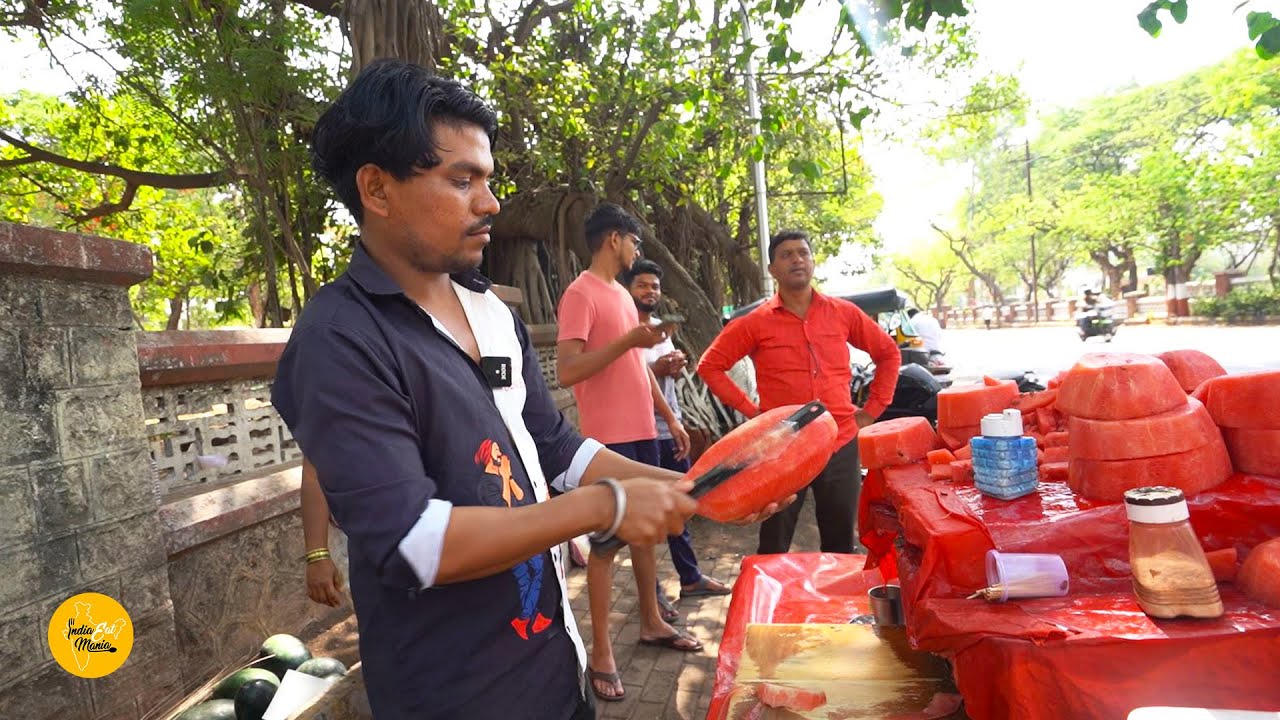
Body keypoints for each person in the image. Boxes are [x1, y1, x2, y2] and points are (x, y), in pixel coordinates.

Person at [271, 60, 706, 720]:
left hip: (555, 669)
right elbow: (413, 542)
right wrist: (605, 508)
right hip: (455, 697)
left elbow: (555, 448)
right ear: (377, 189)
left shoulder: (491, 313)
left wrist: (698, 489)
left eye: (489, 180)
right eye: (461, 179)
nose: (490, 202)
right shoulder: (340, 339)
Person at [555, 203, 704, 703]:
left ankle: (652, 622)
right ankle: (601, 652)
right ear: (614, 239)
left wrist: (672, 419)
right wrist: (628, 343)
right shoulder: (581, 293)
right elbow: (569, 370)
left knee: (645, 534)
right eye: (634, 242)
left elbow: (640, 368)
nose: (637, 252)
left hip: (643, 429)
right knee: (603, 548)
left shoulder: (621, 294)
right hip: (607, 440)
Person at [698, 229, 902, 554]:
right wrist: (754, 415)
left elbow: (889, 353)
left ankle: (832, 606)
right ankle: (772, 603)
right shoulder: (755, 322)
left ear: (812, 262)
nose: (797, 259)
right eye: (786, 254)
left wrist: (873, 410)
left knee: (840, 543)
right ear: (772, 270)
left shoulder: (842, 313)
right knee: (775, 541)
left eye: (803, 253)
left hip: (840, 441)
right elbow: (710, 366)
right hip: (782, 445)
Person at [623, 259, 733, 599]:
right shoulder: (624, 331)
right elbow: (626, 380)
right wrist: (655, 368)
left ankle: (690, 577)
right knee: (645, 513)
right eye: (642, 285)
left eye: (655, 286)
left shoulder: (661, 329)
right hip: (640, 431)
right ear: (628, 289)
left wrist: (673, 366)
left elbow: (661, 377)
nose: (650, 291)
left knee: (681, 503)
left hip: (672, 428)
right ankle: (651, 591)